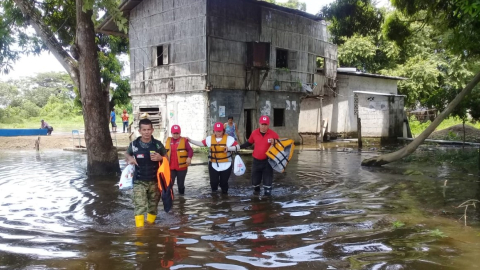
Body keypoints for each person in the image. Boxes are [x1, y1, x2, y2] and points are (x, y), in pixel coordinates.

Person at [125, 118, 168, 227]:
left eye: (149, 129)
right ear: (139, 131)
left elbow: (167, 159)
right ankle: (139, 231)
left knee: (153, 207)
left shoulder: (158, 145)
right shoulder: (134, 144)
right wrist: (130, 158)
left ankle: (150, 227)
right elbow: (126, 154)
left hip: (155, 181)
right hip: (139, 181)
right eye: (144, 130)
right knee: (140, 206)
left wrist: (161, 158)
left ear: (152, 130)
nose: (146, 132)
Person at [227, 116, 278, 196]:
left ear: (268, 125)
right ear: (259, 124)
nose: (263, 126)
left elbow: (281, 147)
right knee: (255, 185)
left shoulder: (273, 134)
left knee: (268, 188)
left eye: (265, 124)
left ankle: (267, 205)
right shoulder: (254, 133)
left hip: (268, 162)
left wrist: (275, 142)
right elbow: (249, 143)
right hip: (256, 162)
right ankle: (256, 202)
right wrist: (238, 147)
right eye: (262, 124)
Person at [188, 122, 239, 194]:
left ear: (223, 131)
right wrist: (190, 140)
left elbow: (238, 147)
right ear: (214, 131)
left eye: (220, 131)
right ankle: (214, 199)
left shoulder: (229, 139)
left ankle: (224, 198)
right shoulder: (209, 139)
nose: (218, 133)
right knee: (213, 183)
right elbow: (201, 143)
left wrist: (229, 148)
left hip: (226, 164)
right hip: (213, 164)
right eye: (216, 131)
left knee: (223, 183)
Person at [165, 125, 193, 195]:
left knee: (180, 184)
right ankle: (170, 198)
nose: (175, 135)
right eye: (174, 133)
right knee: (169, 184)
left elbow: (190, 150)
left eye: (177, 133)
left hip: (182, 167)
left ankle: (181, 198)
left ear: (180, 133)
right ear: (171, 133)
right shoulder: (168, 140)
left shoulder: (184, 140)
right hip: (171, 167)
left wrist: (189, 157)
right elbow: (163, 151)